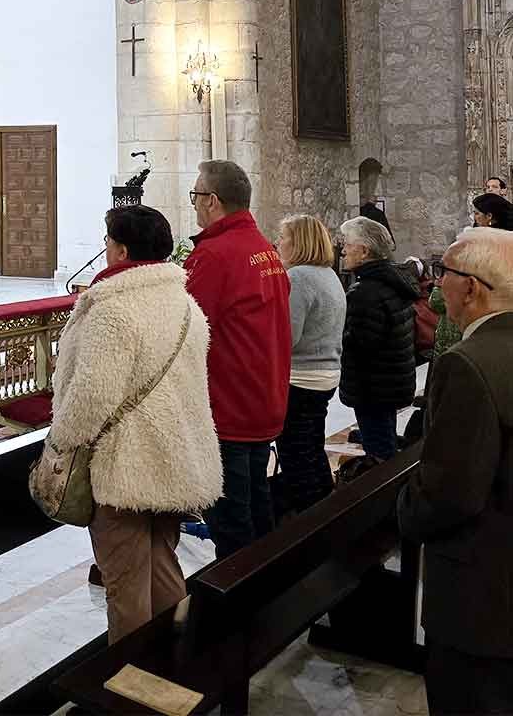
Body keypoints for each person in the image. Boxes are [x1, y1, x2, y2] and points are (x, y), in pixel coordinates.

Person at [47, 205, 220, 642]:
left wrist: (60, 442)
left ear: (121, 250)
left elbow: (92, 394)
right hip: (174, 458)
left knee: (124, 587)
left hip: (125, 468)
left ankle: (129, 692)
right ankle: (172, 668)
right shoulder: (185, 305)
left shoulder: (113, 309)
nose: (105, 250)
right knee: (163, 569)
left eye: (107, 243)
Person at [398, 227, 513, 715]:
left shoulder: (468, 363)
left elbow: (449, 494)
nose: (435, 282)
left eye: (443, 272)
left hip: (481, 598)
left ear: (472, 287)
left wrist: (404, 504)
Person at [184, 160, 291, 558]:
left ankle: (242, 609)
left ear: (212, 201)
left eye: (196, 196)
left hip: (229, 403)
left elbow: (187, 327)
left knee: (231, 519)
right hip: (263, 396)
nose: (194, 205)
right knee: (257, 501)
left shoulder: (214, 255)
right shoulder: (266, 249)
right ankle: (270, 590)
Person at [274, 215, 345, 515]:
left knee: (296, 458)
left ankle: (307, 526)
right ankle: (325, 513)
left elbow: (287, 336)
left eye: (283, 237)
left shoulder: (299, 277)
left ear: (299, 243)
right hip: (324, 375)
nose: (277, 243)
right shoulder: (328, 274)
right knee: (312, 449)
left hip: (301, 379)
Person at [338, 216, 417, 462]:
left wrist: (340, 337)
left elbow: (362, 344)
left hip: (373, 387)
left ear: (363, 251)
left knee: (380, 456)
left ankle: (384, 498)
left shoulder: (366, 291)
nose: (343, 250)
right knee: (384, 436)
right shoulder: (390, 280)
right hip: (390, 381)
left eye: (347, 245)